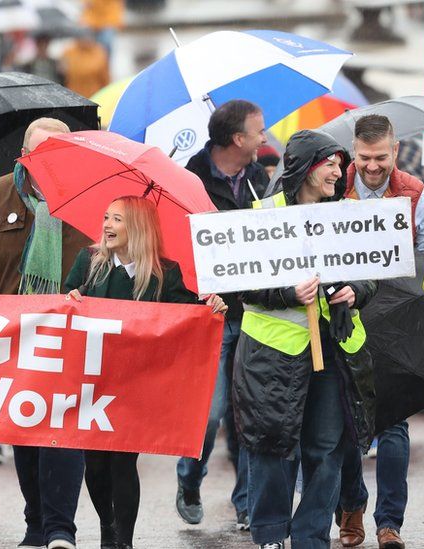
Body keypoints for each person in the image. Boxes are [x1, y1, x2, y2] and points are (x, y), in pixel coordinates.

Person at [235, 129, 377, 549]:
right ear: (304, 167)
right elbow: (240, 286)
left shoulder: (345, 215)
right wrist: (287, 293)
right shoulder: (262, 213)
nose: (339, 170)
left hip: (334, 351)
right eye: (329, 162)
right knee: (272, 445)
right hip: (272, 355)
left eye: (339, 162)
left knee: (327, 449)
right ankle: (270, 533)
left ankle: (312, 537)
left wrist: (358, 290)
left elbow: (370, 272)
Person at [0, 117, 92, 549]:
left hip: (73, 335)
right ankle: (37, 524)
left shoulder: (92, 199)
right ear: (24, 156)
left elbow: (114, 252)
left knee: (64, 430)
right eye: (41, 152)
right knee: (25, 434)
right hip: (10, 336)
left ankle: (60, 529)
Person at [65, 196, 227, 549]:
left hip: (137, 386)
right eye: (105, 216)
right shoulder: (89, 262)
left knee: (122, 462)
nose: (107, 224)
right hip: (94, 380)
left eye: (117, 219)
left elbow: (188, 315)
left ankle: (123, 540)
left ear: (137, 227)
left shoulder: (166, 272)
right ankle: (107, 526)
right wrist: (71, 299)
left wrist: (210, 305)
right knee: (94, 466)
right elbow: (65, 302)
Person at [335, 114, 424, 549]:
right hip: (345, 319)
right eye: (363, 158)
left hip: (396, 320)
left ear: (395, 151)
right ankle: (351, 507)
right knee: (343, 424)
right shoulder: (334, 187)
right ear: (353, 151)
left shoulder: (421, 194)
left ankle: (389, 523)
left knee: (393, 423)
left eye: (380, 157)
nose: (372, 166)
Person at [179, 99, 269, 530]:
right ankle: (190, 478)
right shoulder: (188, 180)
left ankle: (247, 502)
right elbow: (176, 252)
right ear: (238, 139)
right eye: (259, 130)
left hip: (251, 311)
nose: (265, 138)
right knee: (210, 411)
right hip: (210, 316)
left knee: (248, 413)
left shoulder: (259, 176)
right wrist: (199, 293)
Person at [60, 32, 110, 99]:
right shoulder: (68, 52)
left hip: (94, 97)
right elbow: (62, 76)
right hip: (73, 98)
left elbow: (105, 79)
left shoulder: (99, 53)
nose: (85, 39)